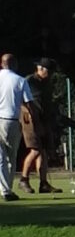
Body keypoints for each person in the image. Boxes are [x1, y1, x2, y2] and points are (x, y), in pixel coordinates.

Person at [17, 61, 54, 194]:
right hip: (30, 120)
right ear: (40, 68)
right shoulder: (28, 81)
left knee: (43, 151)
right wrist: (29, 116)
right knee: (35, 149)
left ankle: (43, 184)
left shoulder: (47, 83)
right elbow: (21, 100)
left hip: (44, 120)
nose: (50, 75)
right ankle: (23, 179)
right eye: (49, 71)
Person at [0, 52, 25, 201]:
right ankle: (7, 190)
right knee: (11, 157)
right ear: (14, 64)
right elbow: (28, 102)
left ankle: (5, 190)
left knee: (1, 158)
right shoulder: (19, 80)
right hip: (10, 121)